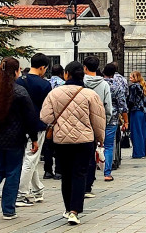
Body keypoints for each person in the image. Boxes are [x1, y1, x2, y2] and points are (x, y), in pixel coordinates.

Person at [0, 57, 40, 219]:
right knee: (12, 172)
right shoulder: (19, 92)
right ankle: (8, 210)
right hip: (14, 139)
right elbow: (30, 117)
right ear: (16, 71)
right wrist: (34, 138)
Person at [41, 62, 104, 224]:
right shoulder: (90, 95)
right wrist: (100, 138)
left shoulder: (55, 93)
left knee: (66, 174)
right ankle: (75, 211)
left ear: (66, 74)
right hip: (85, 140)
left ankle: (68, 207)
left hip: (61, 140)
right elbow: (98, 121)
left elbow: (45, 117)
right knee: (80, 173)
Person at [14, 55, 54, 204]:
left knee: (31, 158)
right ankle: (20, 194)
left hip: (20, 124)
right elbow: (47, 107)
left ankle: (37, 190)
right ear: (43, 67)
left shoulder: (19, 81)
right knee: (31, 158)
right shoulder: (45, 85)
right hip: (37, 124)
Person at [127, 72, 146, 159]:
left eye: (131, 77)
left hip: (135, 110)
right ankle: (142, 151)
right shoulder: (143, 86)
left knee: (135, 132)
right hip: (142, 111)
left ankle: (137, 153)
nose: (129, 78)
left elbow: (131, 100)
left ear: (136, 78)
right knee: (142, 132)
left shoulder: (133, 87)